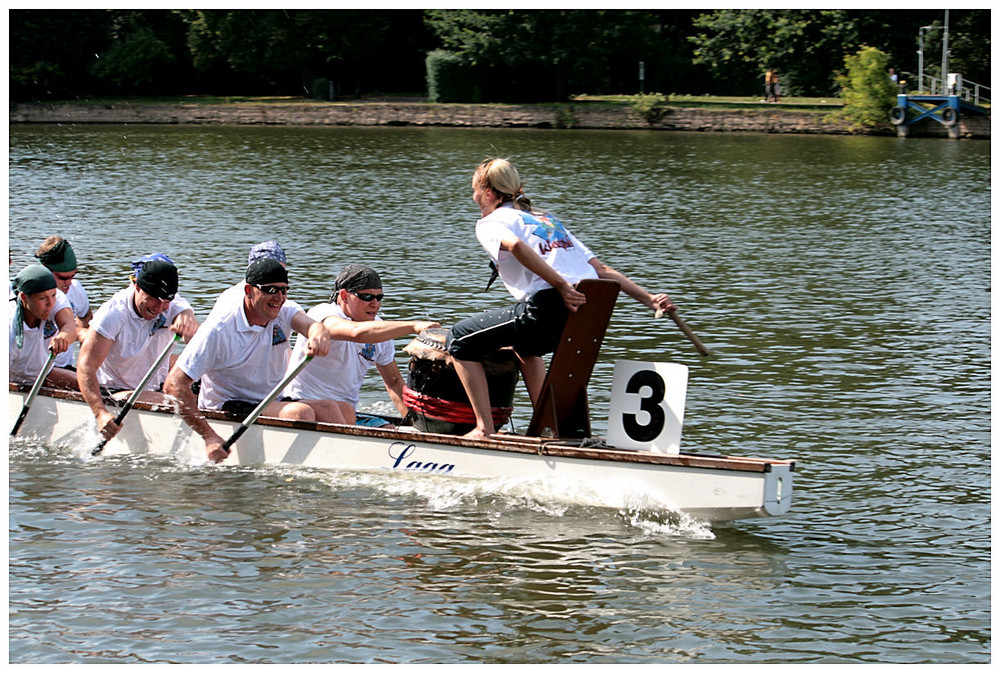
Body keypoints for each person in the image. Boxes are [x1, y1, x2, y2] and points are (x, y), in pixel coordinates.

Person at [447, 157, 676, 439]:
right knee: (527, 348)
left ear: (490, 194)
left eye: (475, 191)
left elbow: (516, 245)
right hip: (588, 313)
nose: (474, 198)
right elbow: (600, 269)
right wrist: (650, 299)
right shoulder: (547, 221)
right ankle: (549, 428)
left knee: (458, 339)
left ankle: (484, 429)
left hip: (551, 307)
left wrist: (561, 286)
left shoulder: (491, 222)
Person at [164, 257, 331, 463]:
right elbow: (173, 384)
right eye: (270, 290)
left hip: (266, 402)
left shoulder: (283, 310)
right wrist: (208, 436)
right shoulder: (219, 329)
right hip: (226, 406)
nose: (279, 298)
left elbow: (313, 326)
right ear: (249, 291)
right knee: (300, 412)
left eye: (284, 290)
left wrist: (319, 334)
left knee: (331, 408)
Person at [283, 264, 440, 426]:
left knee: (389, 430)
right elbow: (355, 332)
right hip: (302, 404)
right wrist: (414, 326)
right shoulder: (323, 314)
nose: (375, 304)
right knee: (332, 409)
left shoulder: (380, 331)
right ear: (344, 296)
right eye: (367, 297)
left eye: (379, 298)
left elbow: (394, 383)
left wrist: (417, 429)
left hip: (346, 412)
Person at [76, 256, 199, 441]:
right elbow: (85, 366)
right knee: (183, 401)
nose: (159, 308)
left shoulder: (172, 304)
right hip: (116, 393)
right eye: (153, 300)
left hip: (154, 390)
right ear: (137, 287)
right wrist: (100, 413)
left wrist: (188, 320)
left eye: (166, 302)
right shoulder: (113, 314)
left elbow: (199, 344)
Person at [8, 264, 78, 389]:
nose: (50, 304)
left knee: (90, 384)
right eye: (42, 298)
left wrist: (63, 336)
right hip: (13, 380)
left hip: (44, 373)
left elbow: (70, 327)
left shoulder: (56, 298)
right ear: (24, 298)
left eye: (53, 295)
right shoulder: (9, 327)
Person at [35, 236, 92, 369]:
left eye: (73, 276)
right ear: (45, 270)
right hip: (38, 368)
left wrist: (85, 361)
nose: (69, 283)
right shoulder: (32, 293)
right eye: (63, 278)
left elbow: (86, 318)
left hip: (64, 366)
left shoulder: (76, 289)